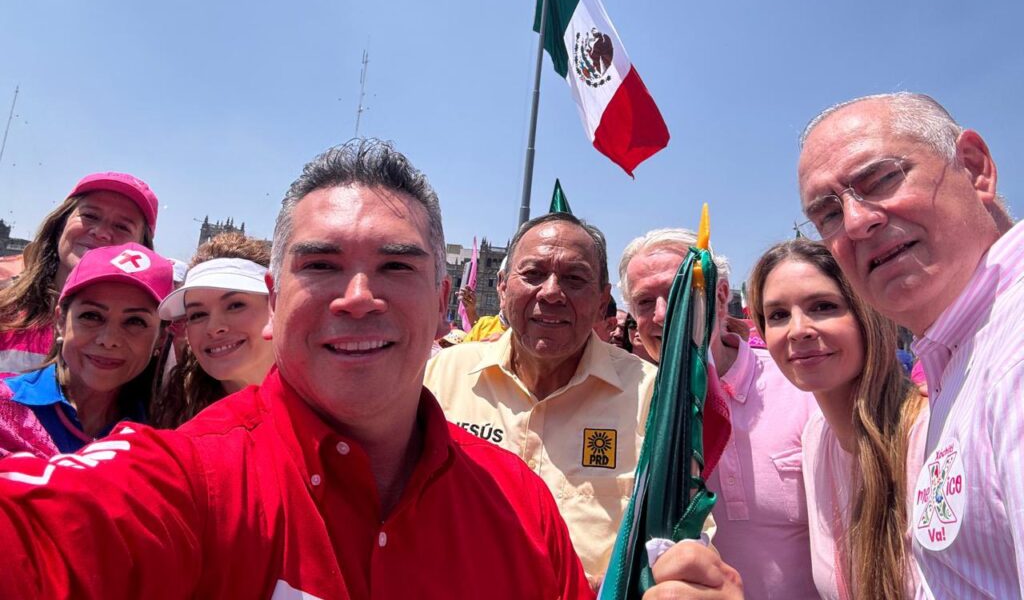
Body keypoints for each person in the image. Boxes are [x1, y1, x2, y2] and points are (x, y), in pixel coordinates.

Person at [0, 140, 593, 599]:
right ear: (276, 299)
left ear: (443, 304)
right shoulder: (193, 479)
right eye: (321, 265)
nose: (358, 296)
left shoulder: (523, 507)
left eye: (395, 266)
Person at [797, 92, 1017, 599]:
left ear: (975, 168)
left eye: (881, 179)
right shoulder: (958, 356)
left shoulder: (1013, 357)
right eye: (828, 213)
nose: (856, 221)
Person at [424, 211, 661, 587]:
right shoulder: (438, 379)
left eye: (574, 278)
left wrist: (632, 582)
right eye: (533, 274)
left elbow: (679, 540)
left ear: (603, 302)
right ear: (502, 288)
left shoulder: (651, 398)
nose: (551, 292)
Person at [620, 228, 818, 599]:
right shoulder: (629, 404)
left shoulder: (802, 388)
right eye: (645, 302)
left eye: (679, 294)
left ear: (722, 297)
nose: (662, 315)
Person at [748, 239, 927, 599]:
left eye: (823, 306)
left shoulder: (927, 434)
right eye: (778, 315)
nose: (798, 330)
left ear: (868, 314)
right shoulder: (816, 437)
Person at [0, 244, 172, 457]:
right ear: (60, 321)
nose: (109, 340)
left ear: (161, 338)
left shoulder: (164, 442)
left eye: (135, 321)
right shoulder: (5, 408)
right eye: (91, 316)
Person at [0, 172, 158, 374]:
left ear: (142, 249)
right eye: (90, 216)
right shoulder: (5, 306)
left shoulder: (149, 341)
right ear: (61, 225)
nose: (100, 232)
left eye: (122, 226)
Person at [152, 232, 275, 428]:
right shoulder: (175, 416)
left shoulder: (329, 406)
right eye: (198, 314)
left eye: (235, 305)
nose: (214, 328)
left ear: (275, 306)